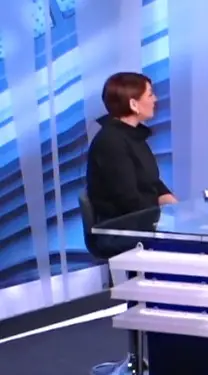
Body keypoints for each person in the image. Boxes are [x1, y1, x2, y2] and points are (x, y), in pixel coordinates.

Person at [86, 72, 177, 256]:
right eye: (150, 95)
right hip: (120, 230)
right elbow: (128, 199)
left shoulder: (134, 136)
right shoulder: (110, 142)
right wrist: (164, 220)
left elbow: (153, 184)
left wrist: (179, 210)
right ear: (133, 104)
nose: (155, 99)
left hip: (143, 221)